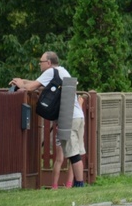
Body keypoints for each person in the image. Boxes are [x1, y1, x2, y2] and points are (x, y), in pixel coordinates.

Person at [11, 51, 87, 188]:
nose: (39, 64)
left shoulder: (51, 72)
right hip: (78, 116)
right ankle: (78, 183)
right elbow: (39, 84)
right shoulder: (61, 71)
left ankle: (80, 185)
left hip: (69, 117)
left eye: (41, 62)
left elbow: (30, 87)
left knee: (73, 153)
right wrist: (21, 81)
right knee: (76, 152)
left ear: (49, 63)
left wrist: (22, 84)